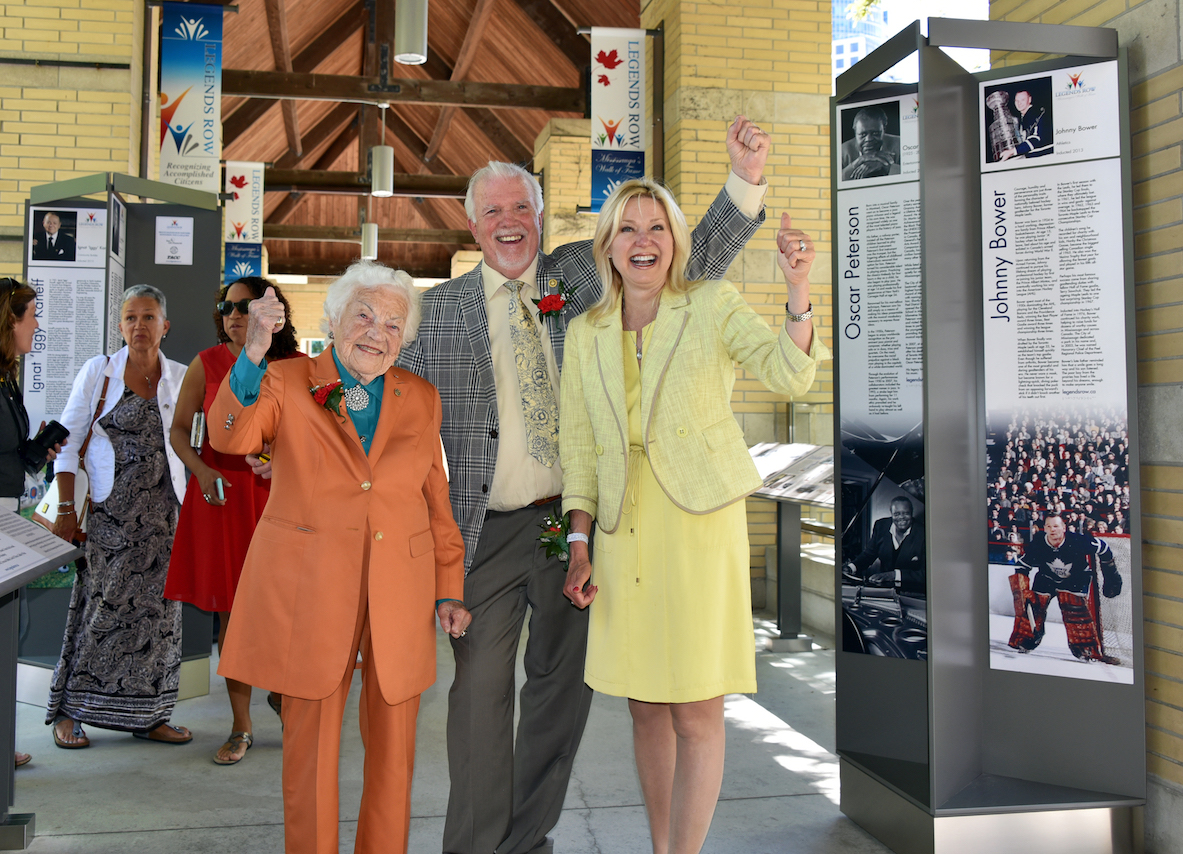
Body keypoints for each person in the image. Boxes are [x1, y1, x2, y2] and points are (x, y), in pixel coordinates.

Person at [396, 115, 772, 854]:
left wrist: (745, 179)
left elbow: (688, 255)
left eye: (522, 208)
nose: (510, 222)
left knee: (559, 699)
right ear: (472, 224)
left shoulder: (576, 273)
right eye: (493, 210)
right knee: (477, 698)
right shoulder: (433, 315)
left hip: (579, 526)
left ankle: (527, 840)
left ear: (541, 218)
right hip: (490, 528)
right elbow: (383, 395)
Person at [558, 177, 826, 854]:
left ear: (675, 243)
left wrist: (798, 291)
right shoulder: (585, 333)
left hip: (701, 526)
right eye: (628, 229)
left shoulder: (711, 304)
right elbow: (579, 450)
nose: (643, 241)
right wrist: (580, 544)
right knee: (645, 707)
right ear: (608, 246)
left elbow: (789, 374)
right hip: (621, 532)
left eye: (657, 229)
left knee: (697, 708)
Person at [208, 262, 470, 854]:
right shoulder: (285, 379)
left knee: (395, 757)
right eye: (365, 315)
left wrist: (448, 585)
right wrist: (252, 351)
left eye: (393, 324)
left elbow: (436, 498)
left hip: (398, 591)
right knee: (310, 756)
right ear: (334, 318)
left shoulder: (420, 396)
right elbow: (229, 436)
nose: (378, 332)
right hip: (312, 587)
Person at [164, 277, 303, 765]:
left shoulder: (295, 367)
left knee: (287, 611)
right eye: (226, 306)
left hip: (279, 501)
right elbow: (181, 431)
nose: (235, 314)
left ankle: (284, 696)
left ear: (272, 312)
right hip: (222, 499)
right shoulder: (206, 364)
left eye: (246, 306)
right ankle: (241, 726)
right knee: (234, 616)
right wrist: (200, 470)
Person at [47, 285, 191, 749]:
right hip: (110, 518)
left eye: (148, 317)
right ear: (120, 325)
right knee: (101, 610)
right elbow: (67, 443)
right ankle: (70, 712)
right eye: (130, 318)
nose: (139, 327)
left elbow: (196, 441)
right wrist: (66, 510)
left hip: (165, 519)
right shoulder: (100, 372)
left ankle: (150, 715)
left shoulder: (181, 377)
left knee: (161, 619)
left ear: (165, 325)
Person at [0, 278, 67, 768]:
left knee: (10, 626)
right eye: (31, 316)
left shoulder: (7, 378)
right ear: (10, 321)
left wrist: (31, 452)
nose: (37, 325)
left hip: (6, 510)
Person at [1008, 513, 1122, 663]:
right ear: (1045, 529)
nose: (1053, 530)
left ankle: (1085, 649)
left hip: (1076, 578)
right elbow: (1023, 565)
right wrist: (1022, 592)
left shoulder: (1078, 541)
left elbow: (1103, 548)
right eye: (1049, 526)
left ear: (1064, 528)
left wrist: (1111, 575)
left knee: (1075, 611)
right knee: (1033, 604)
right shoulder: (1039, 542)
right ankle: (1028, 639)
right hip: (1047, 578)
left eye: (1056, 526)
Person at [849, 495, 925, 597]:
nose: (901, 517)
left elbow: (926, 573)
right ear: (891, 514)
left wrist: (894, 575)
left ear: (912, 513)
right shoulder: (881, 526)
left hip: (913, 595)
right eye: (897, 514)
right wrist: (851, 567)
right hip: (884, 592)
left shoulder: (923, 533)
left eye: (906, 513)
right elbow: (868, 555)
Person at [840, 106, 901, 180]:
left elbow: (913, 173)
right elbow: (834, 181)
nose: (869, 139)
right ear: (855, 132)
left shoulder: (900, 144)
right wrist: (860, 160)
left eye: (875, 133)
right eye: (863, 134)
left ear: (884, 129)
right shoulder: (841, 151)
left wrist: (886, 166)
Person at [999, 90, 1053, 159]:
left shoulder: (1035, 113)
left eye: (1022, 100)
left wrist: (1012, 151)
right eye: (1017, 100)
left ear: (1029, 99)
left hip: (1045, 157)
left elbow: (1034, 140)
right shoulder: (1024, 117)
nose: (1019, 103)